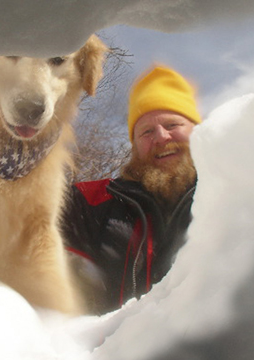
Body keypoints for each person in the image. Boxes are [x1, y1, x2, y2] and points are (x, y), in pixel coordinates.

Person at [61, 65, 202, 315]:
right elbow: (27, 208)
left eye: (172, 124)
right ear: (135, 145)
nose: (160, 137)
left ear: (197, 130)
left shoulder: (233, 188)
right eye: (146, 131)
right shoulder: (93, 201)